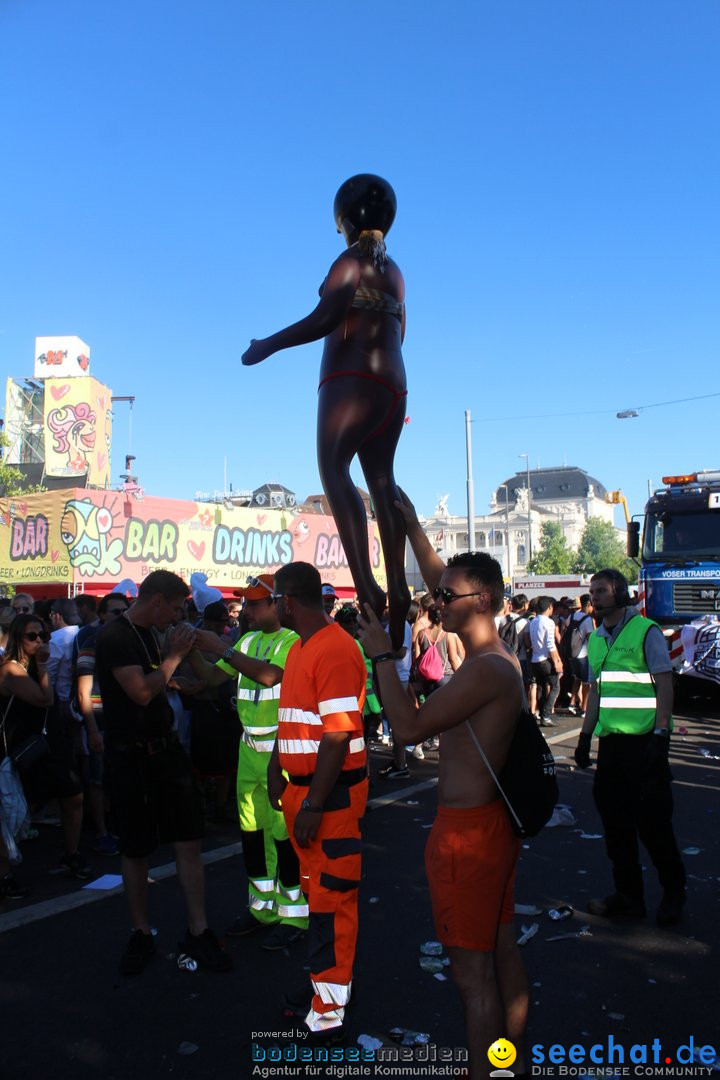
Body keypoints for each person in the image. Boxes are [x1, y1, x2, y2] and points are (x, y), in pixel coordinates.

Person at [358, 494, 529, 1080]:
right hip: (491, 828)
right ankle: (507, 1066)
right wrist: (408, 522)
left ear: (481, 601)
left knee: (471, 977)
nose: (436, 601)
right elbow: (444, 575)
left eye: (446, 597)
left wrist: (382, 652)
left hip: (468, 836)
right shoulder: (495, 650)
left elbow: (405, 726)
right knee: (502, 953)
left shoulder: (485, 669)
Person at [241, 174, 411, 649]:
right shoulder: (394, 270)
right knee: (382, 479)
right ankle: (396, 582)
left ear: (343, 220)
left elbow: (325, 318)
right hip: (393, 384)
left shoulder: (350, 260)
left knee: (334, 468)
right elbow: (401, 330)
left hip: (348, 379)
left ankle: (367, 583)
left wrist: (266, 345)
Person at [95, 570, 232, 975]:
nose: (177, 617)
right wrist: (172, 657)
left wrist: (182, 675)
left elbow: (167, 681)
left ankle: (198, 929)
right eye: (174, 608)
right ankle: (141, 933)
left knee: (189, 840)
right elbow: (139, 691)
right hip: (130, 756)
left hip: (167, 750)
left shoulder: (156, 633)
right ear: (157, 601)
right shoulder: (116, 636)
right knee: (136, 849)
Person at [268, 562, 368, 1042]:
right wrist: (278, 770)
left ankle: (328, 1011)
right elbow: (295, 719)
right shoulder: (302, 648)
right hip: (304, 792)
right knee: (317, 898)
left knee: (332, 901)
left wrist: (313, 805)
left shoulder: (334, 649)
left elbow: (338, 736)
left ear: (287, 602)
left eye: (271, 600)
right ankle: (320, 993)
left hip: (328, 798)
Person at [189, 575, 307, 950]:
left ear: (278, 604)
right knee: (252, 833)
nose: (249, 611)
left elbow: (271, 676)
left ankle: (295, 917)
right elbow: (210, 678)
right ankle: (261, 911)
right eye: (248, 604)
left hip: (279, 754)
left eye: (257, 604)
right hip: (248, 750)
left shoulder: (293, 642)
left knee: (284, 836)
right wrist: (191, 646)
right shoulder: (246, 640)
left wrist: (221, 649)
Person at [574, 569, 686, 927]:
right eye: (593, 592)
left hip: (645, 747)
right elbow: (596, 694)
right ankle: (628, 897)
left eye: (602, 591)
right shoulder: (595, 639)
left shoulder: (646, 632)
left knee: (654, 826)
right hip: (612, 748)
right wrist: (584, 737)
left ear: (621, 594)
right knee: (616, 826)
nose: (596, 597)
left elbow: (664, 685)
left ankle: (673, 892)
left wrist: (662, 733)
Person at [0, 613, 55, 898]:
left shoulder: (28, 667)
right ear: (18, 639)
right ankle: (5, 875)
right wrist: (44, 667)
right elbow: (45, 698)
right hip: (4, 752)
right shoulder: (11, 669)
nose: (39, 641)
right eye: (31, 636)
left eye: (43, 635)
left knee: (13, 814)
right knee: (8, 815)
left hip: (17, 751)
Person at [74, 593, 130, 855]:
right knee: (97, 780)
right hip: (99, 719)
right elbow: (83, 691)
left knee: (118, 775)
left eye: (125, 611)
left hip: (122, 720)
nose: (122, 616)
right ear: (103, 615)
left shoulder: (129, 639)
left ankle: (118, 825)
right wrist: (92, 729)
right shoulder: (91, 642)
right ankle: (102, 832)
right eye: (117, 612)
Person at [528, 596, 562, 726]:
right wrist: (557, 662)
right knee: (555, 687)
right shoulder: (549, 622)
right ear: (549, 607)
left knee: (541, 688)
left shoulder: (533, 622)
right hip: (546, 660)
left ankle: (543, 715)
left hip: (535, 659)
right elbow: (550, 645)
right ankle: (546, 715)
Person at [565, 594, 594, 717]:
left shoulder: (571, 616)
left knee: (577, 679)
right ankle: (584, 709)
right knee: (587, 683)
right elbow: (591, 638)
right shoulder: (587, 620)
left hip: (572, 654)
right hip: (584, 654)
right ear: (588, 604)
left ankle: (572, 704)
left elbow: (565, 629)